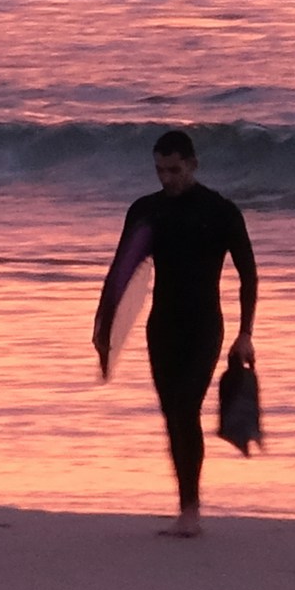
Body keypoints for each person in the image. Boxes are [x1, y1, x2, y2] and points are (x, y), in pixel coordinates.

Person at [92, 127, 257, 536]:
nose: (167, 178)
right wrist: (105, 325)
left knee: (186, 408)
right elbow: (122, 270)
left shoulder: (220, 211)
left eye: (174, 170)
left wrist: (245, 333)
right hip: (162, 327)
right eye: (160, 170)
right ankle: (186, 506)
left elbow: (248, 275)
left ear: (193, 165)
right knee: (172, 415)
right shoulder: (147, 211)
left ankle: (191, 512)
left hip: (205, 327)